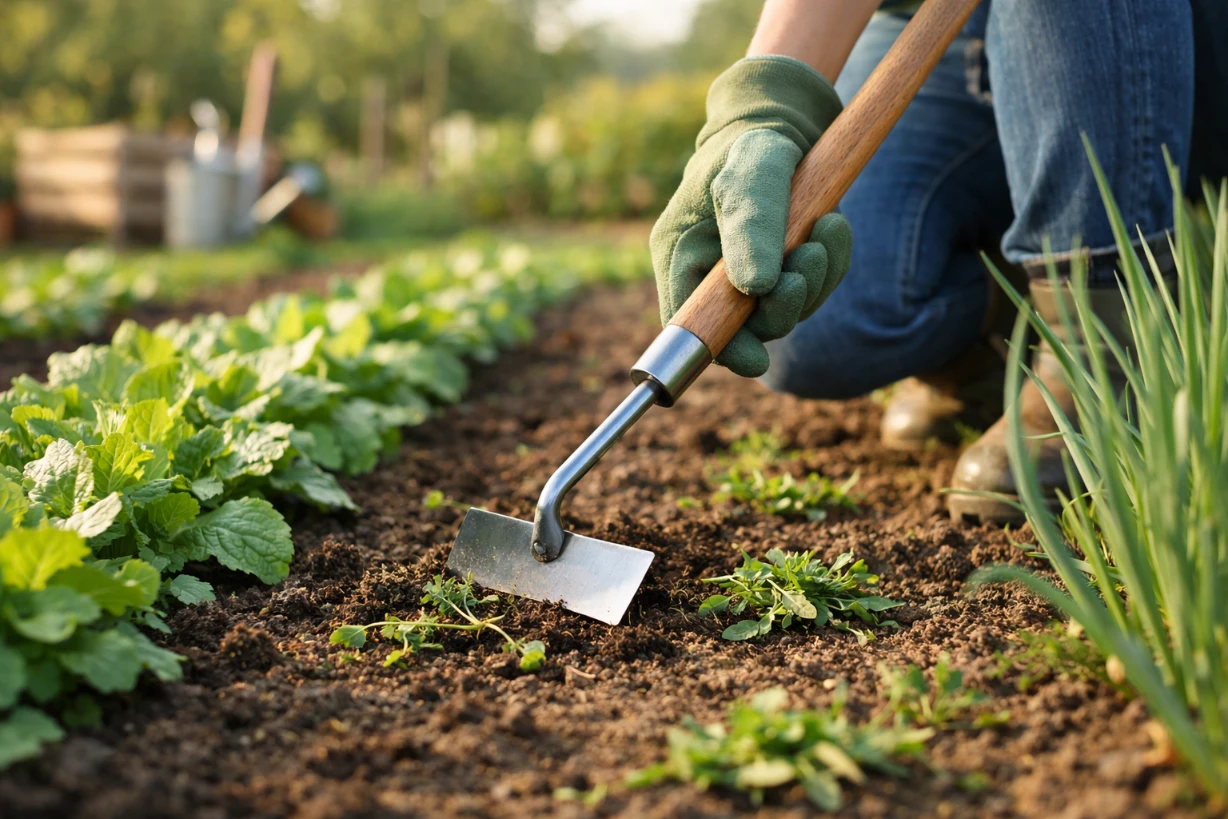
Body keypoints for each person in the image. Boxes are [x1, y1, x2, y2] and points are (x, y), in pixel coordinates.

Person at [651, 0, 1228, 524]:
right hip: (945, 20)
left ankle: (1103, 344)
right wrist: (762, 108)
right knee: (817, 324)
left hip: (1155, 26)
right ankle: (1008, 338)